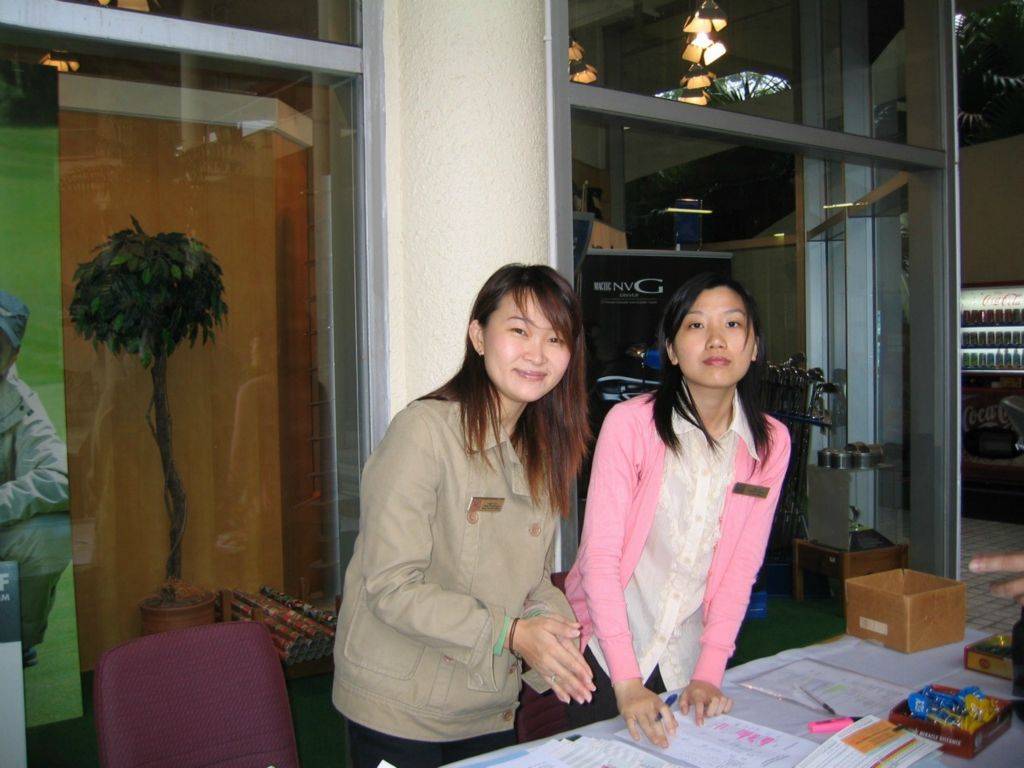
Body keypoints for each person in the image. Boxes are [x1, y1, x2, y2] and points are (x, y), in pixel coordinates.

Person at [332, 264, 595, 768]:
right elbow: (390, 586)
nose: (537, 354)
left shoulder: (542, 449)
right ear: (478, 336)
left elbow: (533, 581)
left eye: (555, 338)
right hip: (398, 708)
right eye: (519, 330)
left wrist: (552, 630)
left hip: (486, 706)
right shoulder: (423, 432)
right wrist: (513, 635)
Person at [564, 273, 791, 747]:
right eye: (695, 325)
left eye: (732, 324)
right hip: (605, 656)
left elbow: (741, 566)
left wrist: (709, 670)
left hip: (688, 663)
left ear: (754, 347)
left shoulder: (770, 443)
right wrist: (627, 682)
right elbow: (600, 559)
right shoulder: (631, 426)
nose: (715, 339)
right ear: (670, 349)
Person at [0, 290, 71, 666]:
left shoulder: (19, 402)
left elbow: (61, 476)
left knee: (52, 533)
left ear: (13, 356)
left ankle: (12, 642)